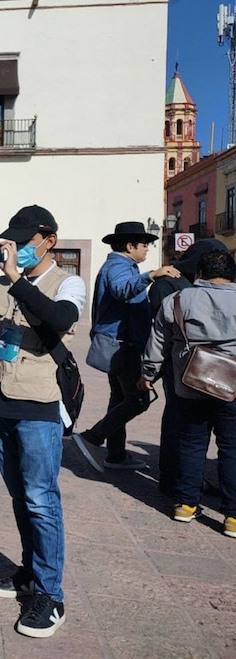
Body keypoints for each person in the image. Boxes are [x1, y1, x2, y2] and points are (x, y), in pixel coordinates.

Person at [0, 205, 85, 639]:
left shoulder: (69, 282)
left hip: (40, 404)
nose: (19, 249)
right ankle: (29, 572)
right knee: (20, 495)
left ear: (49, 240)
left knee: (42, 499)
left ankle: (50, 594)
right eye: (13, 242)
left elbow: (60, 319)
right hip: (0, 400)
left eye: (26, 242)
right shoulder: (0, 284)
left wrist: (20, 280)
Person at [140, 249, 236, 536]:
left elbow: (158, 342)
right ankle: (232, 517)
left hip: (190, 383)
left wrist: (147, 374)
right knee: (232, 448)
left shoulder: (177, 300)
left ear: (200, 274)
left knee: (191, 443)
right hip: (233, 387)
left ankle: (185, 504)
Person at [74, 222, 180, 471]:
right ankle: (93, 437)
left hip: (122, 343)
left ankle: (116, 454)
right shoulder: (118, 267)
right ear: (130, 246)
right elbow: (122, 290)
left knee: (119, 398)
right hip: (124, 345)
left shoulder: (122, 266)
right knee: (138, 400)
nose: (147, 250)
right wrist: (152, 275)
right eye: (144, 245)